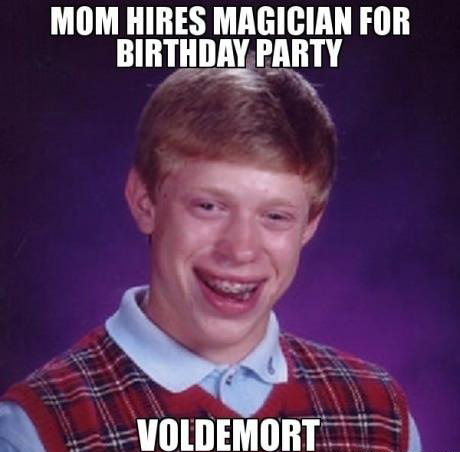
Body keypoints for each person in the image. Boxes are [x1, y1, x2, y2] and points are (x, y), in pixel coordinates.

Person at [0, 61, 421, 451]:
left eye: (275, 216)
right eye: (209, 206)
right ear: (145, 202)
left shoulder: (379, 417)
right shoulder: (37, 431)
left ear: (309, 225)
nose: (240, 249)